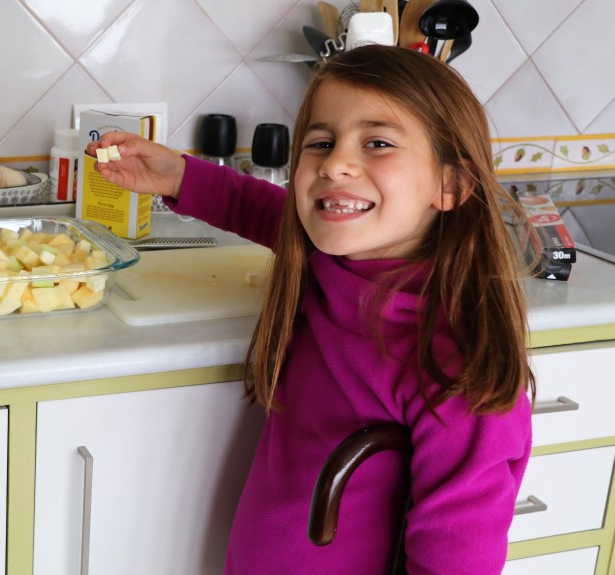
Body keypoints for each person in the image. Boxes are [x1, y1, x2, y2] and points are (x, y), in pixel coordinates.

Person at [87, 44, 534, 575]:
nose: (335, 164)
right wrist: (178, 175)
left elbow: (456, 559)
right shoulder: (330, 261)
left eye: (377, 143)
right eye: (320, 142)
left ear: (451, 183)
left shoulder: (455, 369)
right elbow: (264, 210)